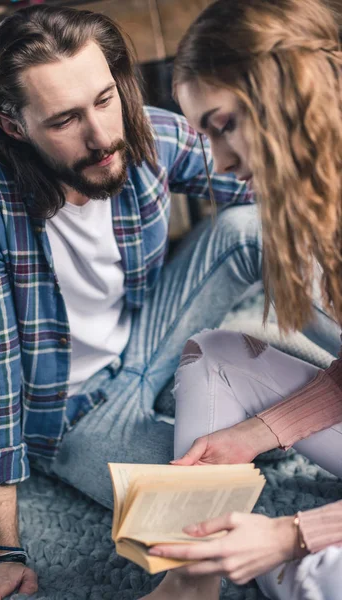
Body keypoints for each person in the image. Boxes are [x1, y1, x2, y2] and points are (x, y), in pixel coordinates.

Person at [0, 4, 263, 599]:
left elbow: (282, 190)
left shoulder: (143, 132)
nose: (101, 135)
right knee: (209, 499)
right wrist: (1, 549)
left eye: (104, 99)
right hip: (71, 414)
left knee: (254, 227)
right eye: (65, 120)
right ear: (15, 126)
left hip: (150, 336)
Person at [143, 1, 342, 599]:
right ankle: (192, 580)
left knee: (316, 576)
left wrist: (292, 534)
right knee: (218, 355)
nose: (222, 163)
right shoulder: (314, 215)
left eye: (224, 124)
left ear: (289, 91)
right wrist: (254, 432)